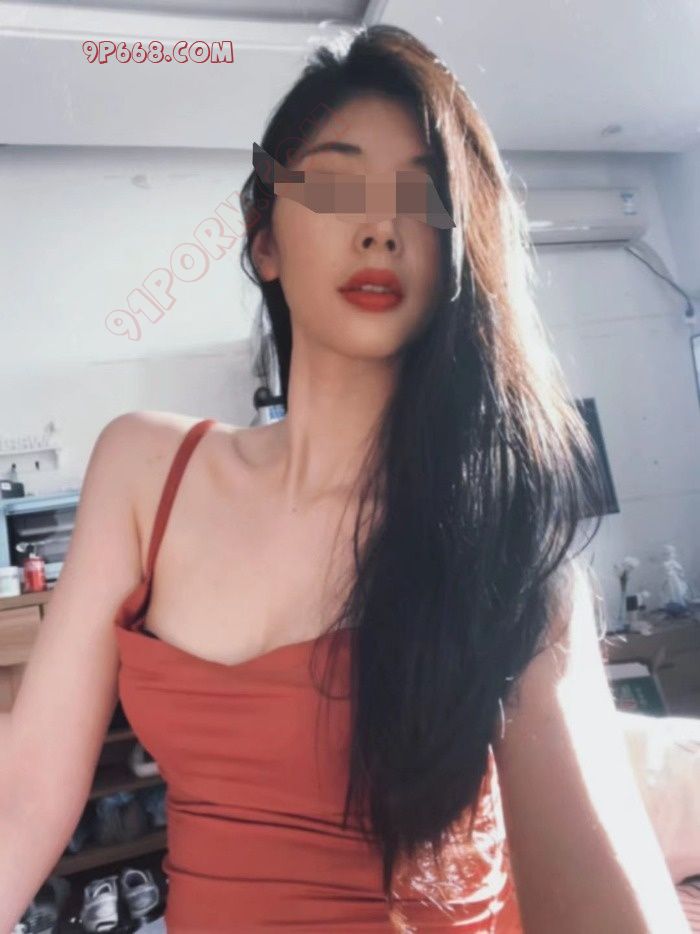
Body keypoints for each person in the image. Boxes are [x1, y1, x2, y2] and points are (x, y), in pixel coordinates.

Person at [1, 23, 691, 934]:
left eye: (422, 196)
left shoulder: (500, 530)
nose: (381, 226)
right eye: (335, 185)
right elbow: (25, 795)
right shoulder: (143, 470)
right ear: (264, 239)